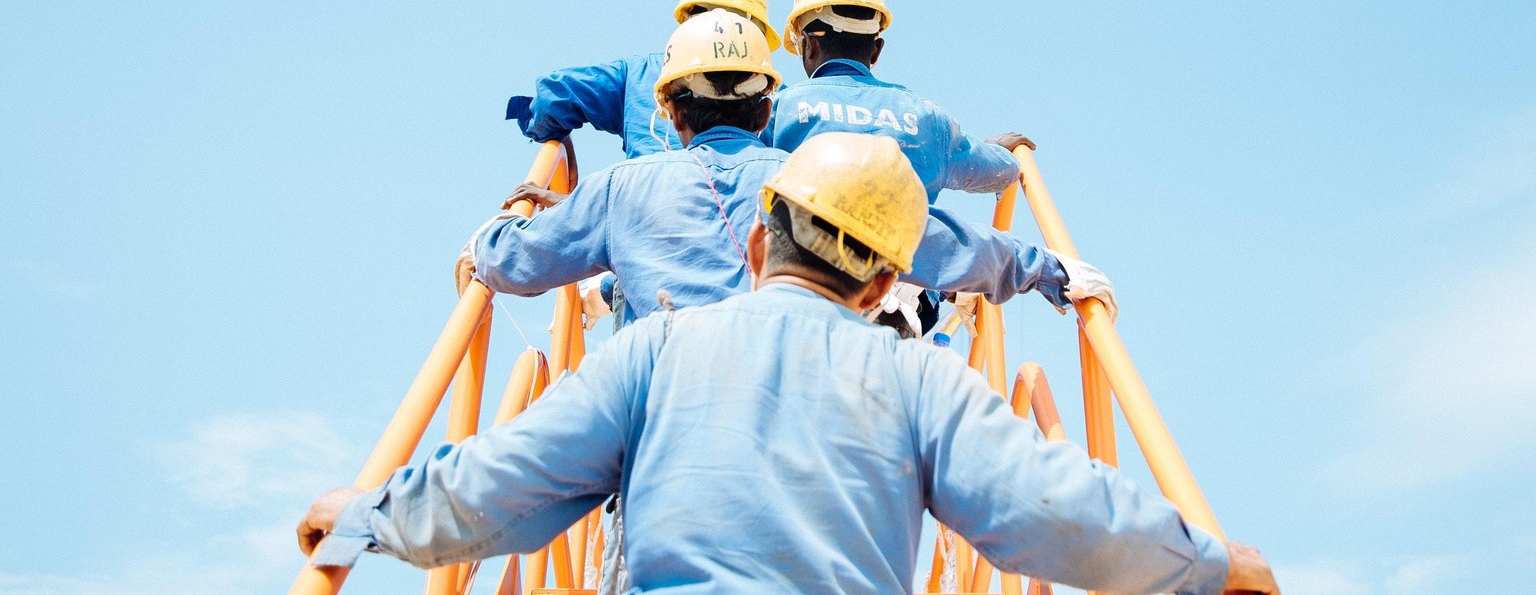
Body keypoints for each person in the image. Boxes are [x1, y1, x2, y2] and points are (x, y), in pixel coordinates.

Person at [299, 132, 1279, 595]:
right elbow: (1051, 507)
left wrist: (360, 521)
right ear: (881, 285)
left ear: (761, 243)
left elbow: (502, 487)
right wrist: (1207, 563)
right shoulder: (923, 378)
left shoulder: (652, 354)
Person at [456, 11, 1117, 327]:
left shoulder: (618, 190)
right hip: (795, 437)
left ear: (672, 110)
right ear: (767, 99)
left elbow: (513, 263)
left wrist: (498, 231)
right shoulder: (817, 182)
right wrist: (1050, 270)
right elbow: (940, 241)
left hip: (658, 448)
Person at [770, 0, 1028, 203]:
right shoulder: (928, 118)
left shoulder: (779, 110)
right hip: (905, 250)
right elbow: (997, 170)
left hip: (802, 248)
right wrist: (999, 152)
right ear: (876, 49)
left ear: (810, 45)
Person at [504, 0, 781, 159]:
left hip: (640, 219)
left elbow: (554, 96)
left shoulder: (637, 75)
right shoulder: (773, 96)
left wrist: (553, 135)